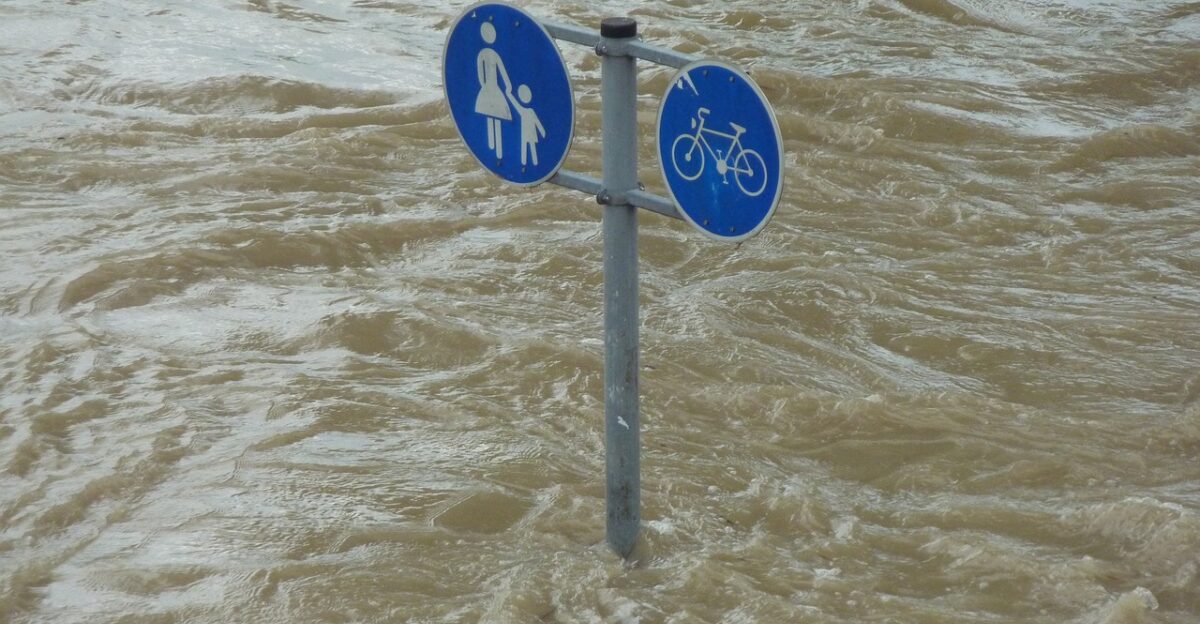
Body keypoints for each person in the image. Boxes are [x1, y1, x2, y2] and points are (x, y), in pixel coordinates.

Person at [474, 22, 512, 158]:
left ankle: (497, 151)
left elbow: (501, 71)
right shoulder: (485, 54)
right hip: (491, 89)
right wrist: (506, 86)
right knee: (492, 116)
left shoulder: (488, 54)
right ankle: (494, 150)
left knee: (495, 116)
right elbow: (481, 73)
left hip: (490, 88)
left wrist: (507, 85)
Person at [507, 85, 546, 167]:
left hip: (530, 132)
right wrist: (509, 94)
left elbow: (537, 121)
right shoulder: (525, 111)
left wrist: (542, 131)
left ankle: (533, 164)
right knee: (526, 147)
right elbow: (515, 104)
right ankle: (525, 163)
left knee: (530, 147)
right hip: (526, 132)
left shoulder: (528, 111)